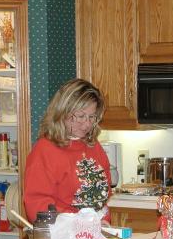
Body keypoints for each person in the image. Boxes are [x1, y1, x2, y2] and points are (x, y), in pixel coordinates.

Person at [24, 78, 112, 223]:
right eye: (80, 116)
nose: (87, 124)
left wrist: (103, 221)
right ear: (62, 112)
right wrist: (78, 223)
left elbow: (104, 196)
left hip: (94, 233)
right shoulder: (45, 150)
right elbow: (37, 205)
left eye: (92, 117)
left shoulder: (94, 146)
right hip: (61, 237)